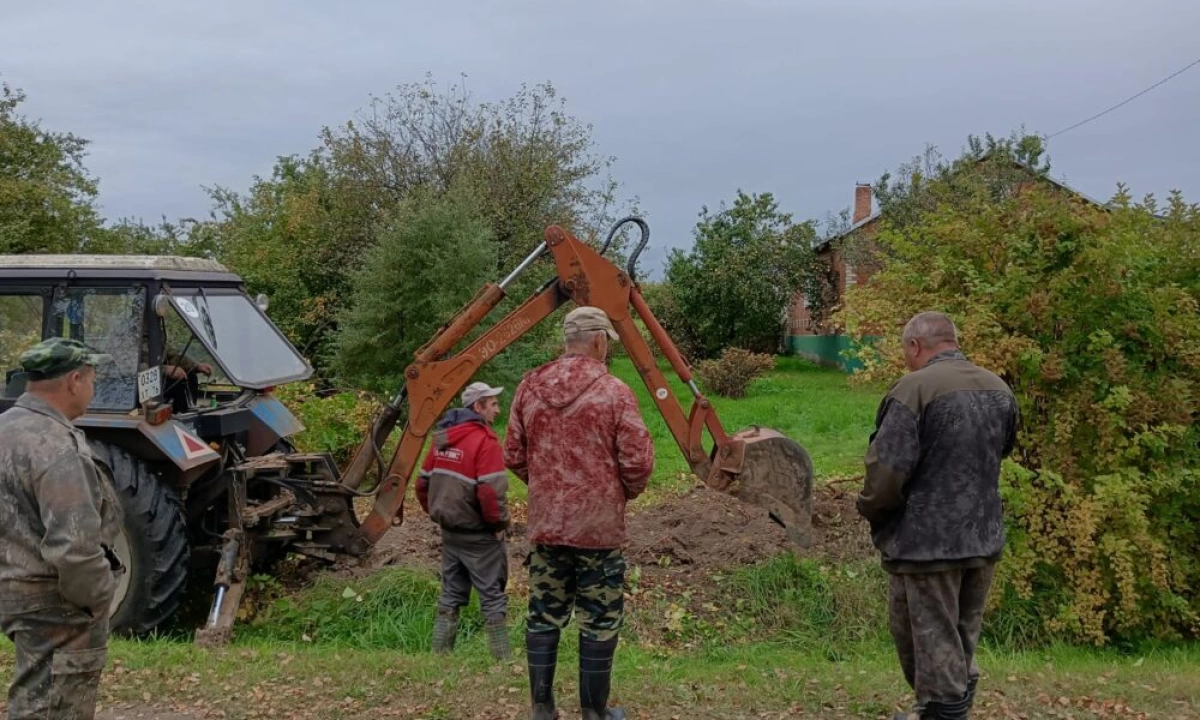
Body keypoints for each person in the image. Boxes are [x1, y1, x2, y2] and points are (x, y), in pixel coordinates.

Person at [857, 312, 1018, 720]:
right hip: (983, 537)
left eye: (904, 349)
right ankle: (939, 708)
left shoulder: (913, 390)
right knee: (960, 637)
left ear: (915, 345)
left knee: (926, 640)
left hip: (927, 544)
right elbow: (1003, 449)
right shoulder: (999, 388)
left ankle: (942, 712)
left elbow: (886, 471)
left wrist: (873, 511)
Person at [505, 306, 655, 720]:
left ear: (568, 341)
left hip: (547, 527)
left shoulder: (529, 388)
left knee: (543, 616)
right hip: (598, 530)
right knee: (600, 620)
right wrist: (616, 494)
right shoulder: (614, 392)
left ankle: (542, 709)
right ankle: (594, 712)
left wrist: (546, 488)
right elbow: (638, 462)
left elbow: (513, 453)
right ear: (599, 340)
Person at [0, 338, 124, 720]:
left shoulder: (5, 429)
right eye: (92, 379)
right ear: (74, 380)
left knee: (34, 698)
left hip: (13, 591)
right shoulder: (57, 448)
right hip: (56, 605)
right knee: (55, 707)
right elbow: (75, 547)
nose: (93, 388)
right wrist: (96, 598)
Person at [416, 381, 511, 659]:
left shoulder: (442, 439)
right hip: (479, 535)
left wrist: (439, 513)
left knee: (450, 594)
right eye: (492, 404)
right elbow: (490, 492)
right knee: (492, 596)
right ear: (477, 407)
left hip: (450, 532)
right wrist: (498, 525)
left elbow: (422, 485)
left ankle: (440, 654)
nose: (497, 410)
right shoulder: (485, 441)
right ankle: (502, 660)